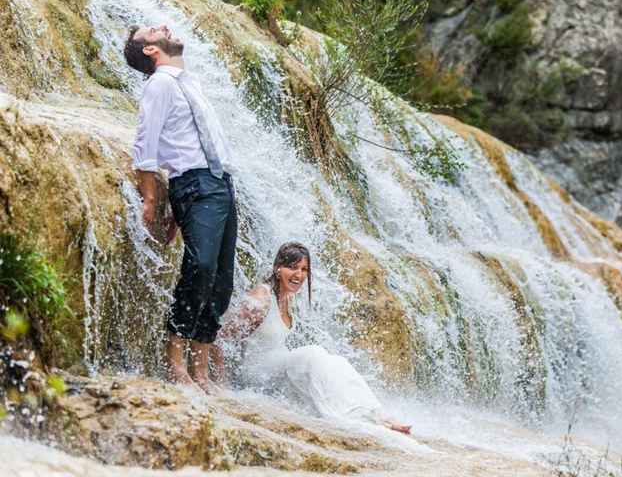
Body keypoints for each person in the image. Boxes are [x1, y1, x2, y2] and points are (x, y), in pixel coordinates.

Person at [123, 24, 237, 393]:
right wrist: (152, 199)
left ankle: (200, 368)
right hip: (195, 183)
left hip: (219, 184)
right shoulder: (159, 84)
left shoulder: (189, 83)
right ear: (151, 51)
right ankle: (175, 362)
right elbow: (146, 142)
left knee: (221, 279)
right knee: (200, 267)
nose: (164, 27)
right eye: (154, 30)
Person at [211, 242, 411, 434]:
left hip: (276, 372)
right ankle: (359, 417)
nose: (299, 275)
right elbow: (222, 338)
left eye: (304, 269)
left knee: (337, 362)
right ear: (278, 269)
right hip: (256, 373)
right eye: (292, 267)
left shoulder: (288, 298)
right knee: (313, 354)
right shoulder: (262, 297)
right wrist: (223, 387)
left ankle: (376, 415)